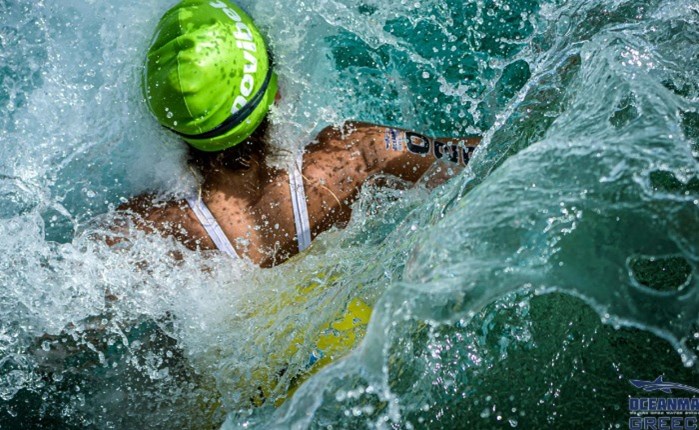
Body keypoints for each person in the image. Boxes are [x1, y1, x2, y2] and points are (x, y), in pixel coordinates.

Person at [122, 0, 481, 268]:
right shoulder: (354, 156)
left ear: (165, 123)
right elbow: (489, 157)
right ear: (275, 94)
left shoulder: (151, 230)